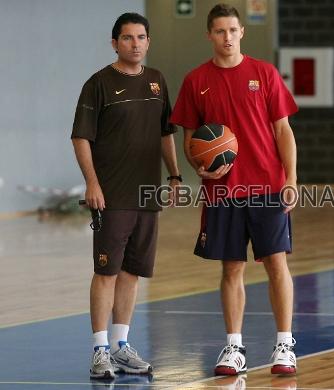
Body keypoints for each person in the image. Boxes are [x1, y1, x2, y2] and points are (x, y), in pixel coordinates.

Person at [170, 3, 298, 376]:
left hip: (268, 186)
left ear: (242, 32)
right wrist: (199, 167)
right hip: (222, 191)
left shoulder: (265, 73)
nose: (227, 37)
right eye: (220, 31)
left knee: (277, 263)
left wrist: (290, 179)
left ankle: (285, 344)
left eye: (232, 30)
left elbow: (284, 131)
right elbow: (191, 138)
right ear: (209, 35)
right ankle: (233, 348)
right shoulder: (196, 80)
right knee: (231, 268)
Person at [71, 13, 181, 379]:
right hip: (112, 195)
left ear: (148, 41)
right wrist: (92, 183)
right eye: (128, 38)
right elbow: (81, 137)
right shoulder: (98, 84)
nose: (135, 44)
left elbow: (166, 133)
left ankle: (121, 345)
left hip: (148, 195)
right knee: (107, 271)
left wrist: (176, 174)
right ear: (114, 42)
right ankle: (99, 350)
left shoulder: (157, 82)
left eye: (141, 37)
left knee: (132, 271)